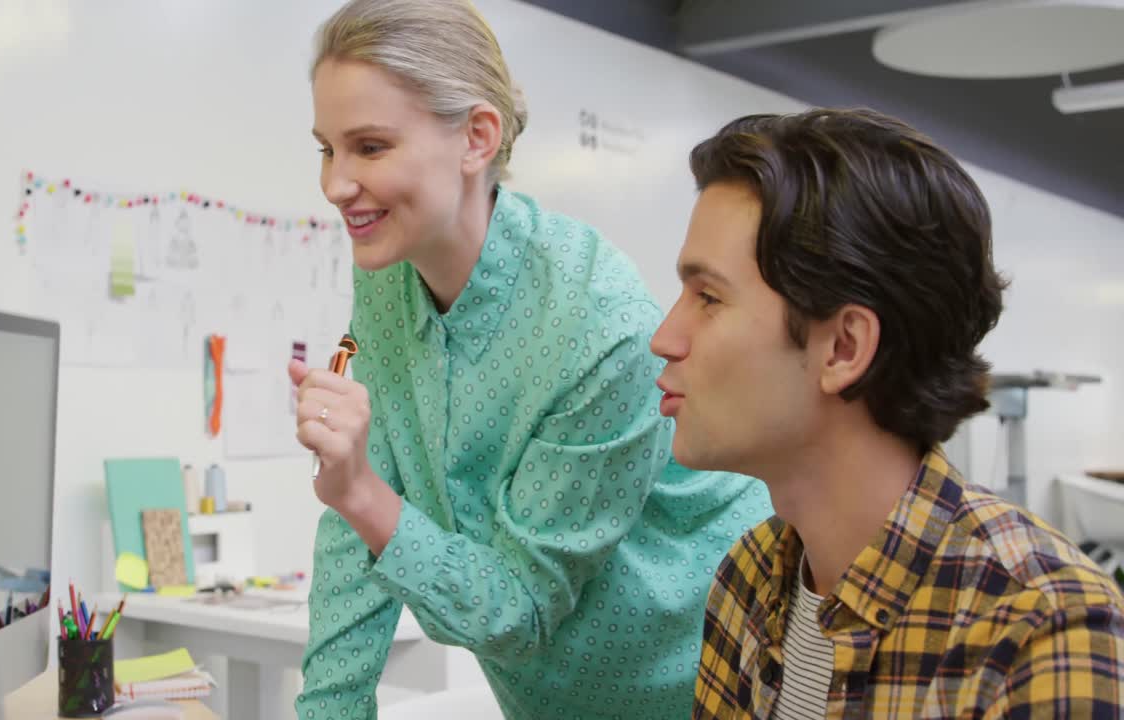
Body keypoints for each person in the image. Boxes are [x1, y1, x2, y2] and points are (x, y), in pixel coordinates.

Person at [288, 1, 772, 718]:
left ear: (477, 138)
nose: (335, 184)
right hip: (546, 694)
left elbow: (517, 609)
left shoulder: (596, 325)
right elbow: (356, 506)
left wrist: (359, 492)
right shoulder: (387, 273)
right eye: (327, 149)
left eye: (370, 147)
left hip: (694, 684)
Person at [647, 108, 1124, 718]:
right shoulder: (745, 583)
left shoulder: (1043, 631)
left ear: (844, 348)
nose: (665, 336)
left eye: (708, 297)